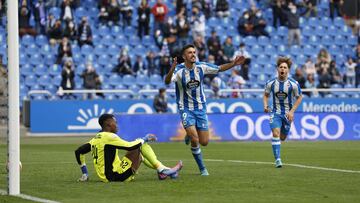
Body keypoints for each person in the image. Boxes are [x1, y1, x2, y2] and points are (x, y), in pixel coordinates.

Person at [164, 44, 245, 175]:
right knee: (195, 140)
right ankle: (202, 168)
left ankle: (189, 134)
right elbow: (167, 81)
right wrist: (172, 67)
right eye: (190, 52)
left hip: (200, 108)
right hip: (186, 109)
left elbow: (219, 68)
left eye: (194, 52)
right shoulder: (178, 71)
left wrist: (233, 63)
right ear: (184, 56)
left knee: (204, 142)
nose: (193, 54)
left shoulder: (201, 67)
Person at [75, 114, 183, 182]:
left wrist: (85, 173)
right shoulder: (109, 136)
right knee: (139, 145)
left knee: (139, 151)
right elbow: (132, 146)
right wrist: (145, 138)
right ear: (108, 124)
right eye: (114, 123)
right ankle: (163, 170)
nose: (116, 125)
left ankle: (163, 171)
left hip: (108, 175)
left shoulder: (96, 138)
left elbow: (78, 152)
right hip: (115, 176)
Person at [263, 57, 302, 168]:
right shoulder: (271, 83)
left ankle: (277, 147)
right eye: (281, 67)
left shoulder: (293, 84)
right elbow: (266, 95)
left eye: (285, 67)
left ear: (288, 70)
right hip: (275, 113)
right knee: (275, 133)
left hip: (287, 114)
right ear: (277, 69)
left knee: (283, 137)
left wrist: (292, 112)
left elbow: (299, 98)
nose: (283, 69)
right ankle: (278, 160)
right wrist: (265, 106)